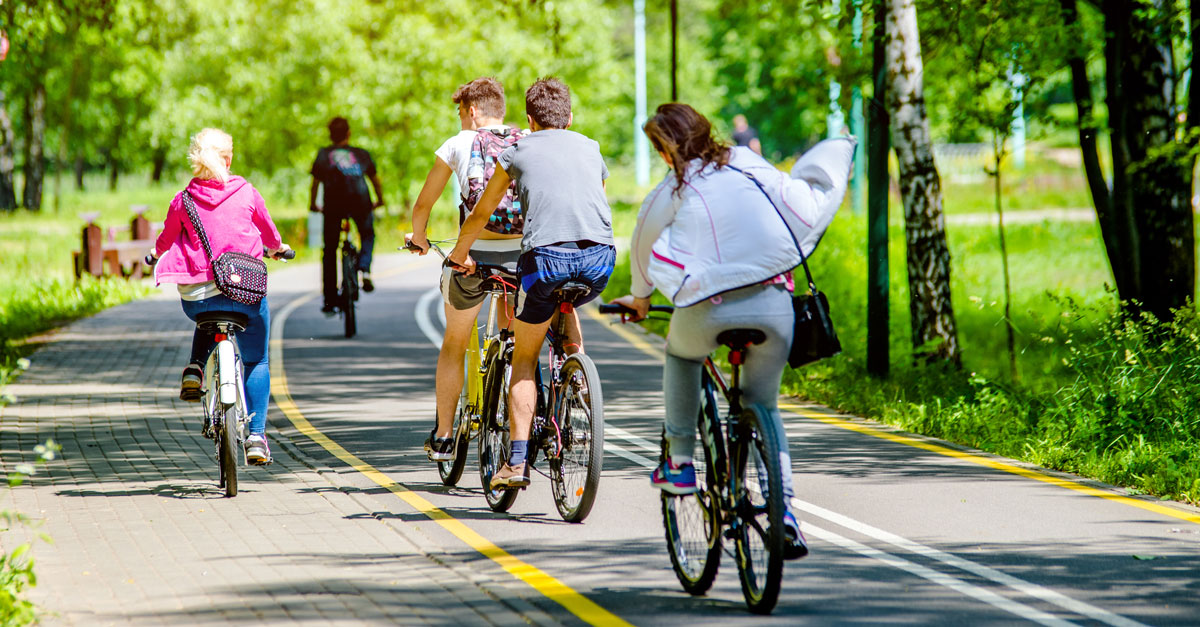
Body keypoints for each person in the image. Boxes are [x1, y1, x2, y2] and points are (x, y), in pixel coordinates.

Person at [610, 103, 855, 559]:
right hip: (773, 306)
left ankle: (681, 462)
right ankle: (784, 513)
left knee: (682, 355)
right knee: (765, 406)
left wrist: (642, 298)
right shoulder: (746, 162)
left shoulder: (674, 187)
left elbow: (643, 244)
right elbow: (791, 196)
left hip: (708, 308)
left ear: (666, 151)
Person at [449, 77, 615, 488]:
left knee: (525, 358)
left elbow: (482, 212)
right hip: (600, 259)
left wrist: (460, 252)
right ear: (570, 116)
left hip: (545, 260)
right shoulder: (591, 148)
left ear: (529, 120)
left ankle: (517, 462)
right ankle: (575, 378)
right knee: (567, 305)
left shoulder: (516, 149)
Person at [405, 76, 529, 462]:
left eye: (460, 113)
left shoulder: (457, 144)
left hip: (473, 258)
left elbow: (424, 205)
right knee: (518, 347)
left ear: (471, 111)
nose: (461, 120)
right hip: (523, 259)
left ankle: (443, 436)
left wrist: (419, 237)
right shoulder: (527, 138)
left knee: (454, 344)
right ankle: (519, 430)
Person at [151, 128, 292, 465]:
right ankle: (256, 435)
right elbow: (270, 235)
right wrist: (278, 249)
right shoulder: (247, 192)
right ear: (228, 159)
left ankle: (195, 369)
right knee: (256, 359)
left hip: (197, 296)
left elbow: (166, 238)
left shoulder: (183, 198)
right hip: (244, 292)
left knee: (209, 314)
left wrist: (152, 256)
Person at [310, 117, 386, 315]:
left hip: (333, 204)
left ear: (330, 134)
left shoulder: (324, 155)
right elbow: (375, 179)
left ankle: (329, 300)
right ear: (348, 133)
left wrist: (313, 205)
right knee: (367, 234)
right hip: (360, 200)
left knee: (330, 250)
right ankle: (364, 268)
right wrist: (379, 199)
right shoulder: (360, 154)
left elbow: (316, 183)